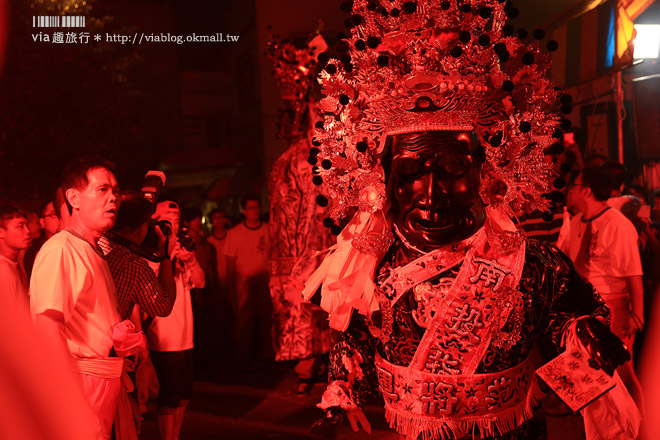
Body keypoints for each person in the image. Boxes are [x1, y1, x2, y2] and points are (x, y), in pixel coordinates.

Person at [302, 2, 630, 439]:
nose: (431, 192)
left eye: (452, 170)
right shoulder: (369, 267)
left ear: (486, 170)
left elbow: (564, 314)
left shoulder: (532, 263)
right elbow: (354, 335)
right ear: (379, 180)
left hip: (509, 429)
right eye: (410, 174)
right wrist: (340, 391)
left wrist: (584, 334)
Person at [30, 157, 144, 440]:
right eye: (102, 190)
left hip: (102, 382)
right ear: (73, 198)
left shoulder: (92, 250)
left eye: (115, 191)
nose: (113, 199)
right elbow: (47, 329)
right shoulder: (61, 250)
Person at [267, 32, 333, 395]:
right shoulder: (288, 164)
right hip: (299, 250)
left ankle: (329, 362)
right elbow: (283, 220)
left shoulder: (331, 156)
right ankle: (308, 363)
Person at [561, 166, 645, 408]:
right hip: (584, 308)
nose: (569, 190)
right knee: (591, 375)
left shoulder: (618, 225)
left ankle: (642, 428)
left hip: (614, 307)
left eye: (573, 185)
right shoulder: (576, 222)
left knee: (622, 372)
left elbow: (634, 275)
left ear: (586, 191)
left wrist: (636, 317)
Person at [147, 200, 205, 440]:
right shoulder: (150, 251)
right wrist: (167, 253)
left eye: (177, 220)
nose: (174, 224)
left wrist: (190, 260)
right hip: (164, 335)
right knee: (169, 395)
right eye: (167, 219)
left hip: (185, 335)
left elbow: (201, 282)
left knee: (184, 394)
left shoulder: (183, 249)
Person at [99, 190, 176, 321]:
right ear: (141, 228)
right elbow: (163, 306)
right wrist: (166, 254)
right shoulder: (133, 265)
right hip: (105, 338)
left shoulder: (95, 242)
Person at [225, 195, 272, 363]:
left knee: (265, 317)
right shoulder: (234, 233)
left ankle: (267, 352)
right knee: (244, 318)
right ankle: (243, 355)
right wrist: (230, 287)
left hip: (264, 278)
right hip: (243, 279)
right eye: (251, 208)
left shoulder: (268, 229)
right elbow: (230, 262)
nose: (255, 211)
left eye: (257, 207)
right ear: (244, 211)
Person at [0, 203, 31, 311]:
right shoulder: (3, 270)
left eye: (27, 225)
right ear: (1, 232)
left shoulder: (13, 263)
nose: (28, 231)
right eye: (20, 226)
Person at [24, 200, 61, 279]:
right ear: (42, 222)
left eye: (61, 213)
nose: (60, 217)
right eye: (54, 214)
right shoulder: (35, 252)